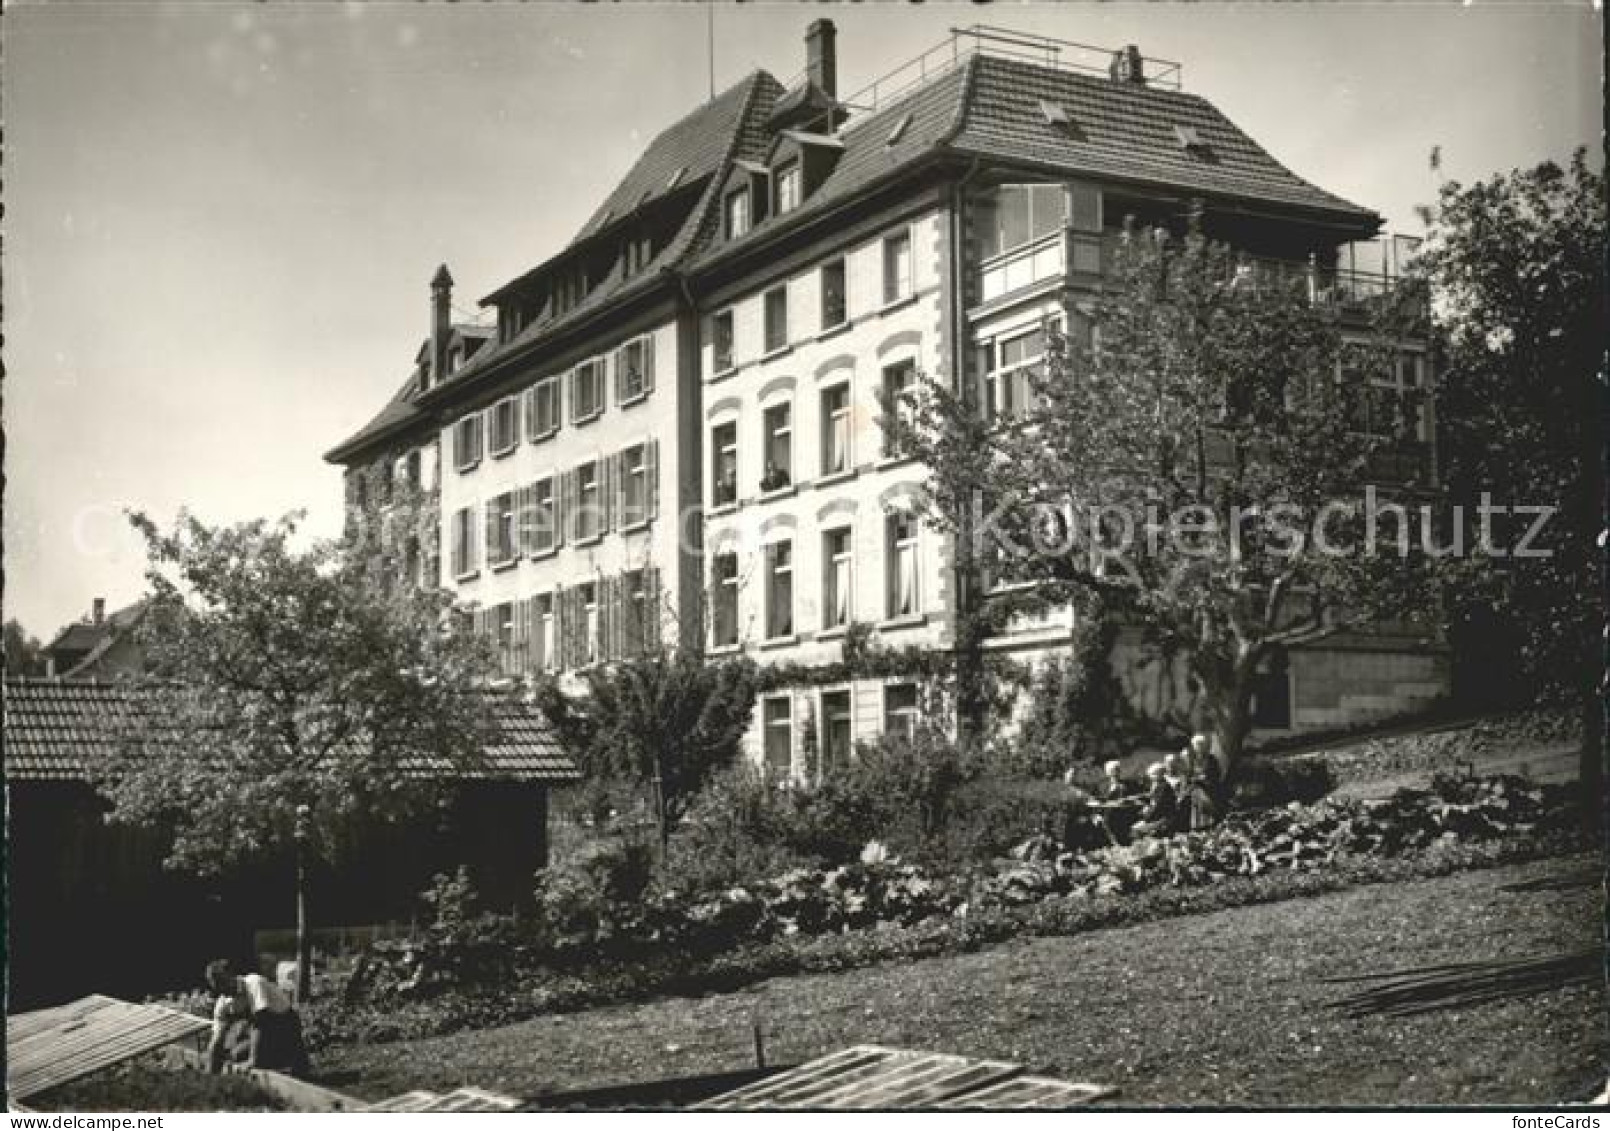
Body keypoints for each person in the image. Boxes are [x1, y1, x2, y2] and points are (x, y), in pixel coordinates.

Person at [205, 959, 311, 1077]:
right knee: (236, 1055)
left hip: (286, 1027)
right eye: (217, 986)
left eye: (222, 982)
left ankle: (291, 1061)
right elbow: (216, 1041)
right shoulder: (223, 1003)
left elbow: (261, 1022)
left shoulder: (253, 983)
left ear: (231, 975)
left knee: (258, 1062)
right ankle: (273, 1061)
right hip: (264, 1033)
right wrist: (210, 1076)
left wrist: (253, 1060)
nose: (221, 989)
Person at [1130, 762, 1180, 839]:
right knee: (1138, 823)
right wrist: (1139, 798)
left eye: (1152, 775)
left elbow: (1158, 807)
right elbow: (1152, 797)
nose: (1150, 777)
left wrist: (1146, 819)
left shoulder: (1164, 787)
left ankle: (1143, 846)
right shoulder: (1159, 785)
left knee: (1135, 829)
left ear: (1159, 774)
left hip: (1164, 818)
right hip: (1159, 816)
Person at [1187, 732, 1224, 829]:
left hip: (1209, 788)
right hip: (1196, 786)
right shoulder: (1193, 759)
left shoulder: (1211, 759)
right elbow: (1189, 773)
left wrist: (1203, 778)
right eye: (1196, 745)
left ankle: (1208, 824)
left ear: (1205, 746)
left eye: (1201, 745)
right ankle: (1195, 825)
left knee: (1199, 794)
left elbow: (1215, 775)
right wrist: (1194, 778)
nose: (1198, 747)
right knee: (1191, 793)